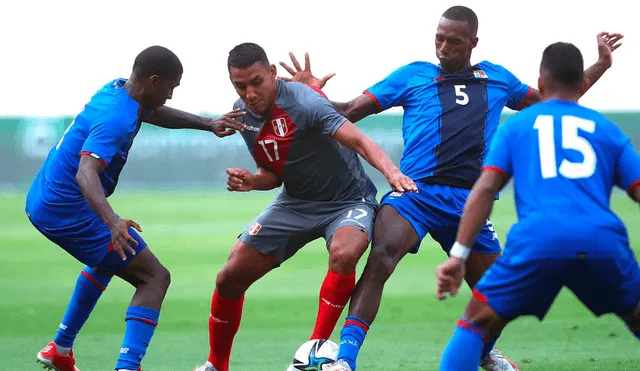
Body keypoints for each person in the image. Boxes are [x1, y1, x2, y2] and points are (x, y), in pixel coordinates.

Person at [278, 5, 623, 370]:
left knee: (501, 293)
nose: (443, 48)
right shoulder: (413, 75)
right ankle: (345, 360)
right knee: (381, 258)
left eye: (453, 42)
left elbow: (556, 98)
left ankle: (483, 352)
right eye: (439, 39)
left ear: (473, 43)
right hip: (415, 193)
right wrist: (310, 94)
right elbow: (347, 111)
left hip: (467, 202)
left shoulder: (497, 79)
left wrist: (601, 64)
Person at [192, 42, 416, 371]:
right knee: (228, 277)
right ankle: (216, 365)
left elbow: (359, 140)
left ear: (272, 73)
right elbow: (274, 173)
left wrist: (392, 172)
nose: (250, 93)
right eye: (241, 85)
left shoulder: (305, 101)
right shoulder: (244, 116)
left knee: (345, 251)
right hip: (295, 203)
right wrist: (253, 182)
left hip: (347, 200)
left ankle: (312, 351)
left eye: (257, 82)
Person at [26, 45, 246, 371]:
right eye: (171, 87)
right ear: (154, 81)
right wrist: (113, 221)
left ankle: (60, 347)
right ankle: (126, 367)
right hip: (67, 209)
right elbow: (86, 172)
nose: (171, 96)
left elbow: (152, 112)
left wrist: (207, 123)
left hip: (44, 198)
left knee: (109, 258)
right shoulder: (115, 119)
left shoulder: (119, 91)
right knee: (154, 278)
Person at [435, 40, 640, 370]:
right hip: (602, 242)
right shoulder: (607, 130)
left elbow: (485, 188)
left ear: (541, 84)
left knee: (476, 322)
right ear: (583, 84)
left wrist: (458, 255)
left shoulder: (517, 126)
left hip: (538, 241)